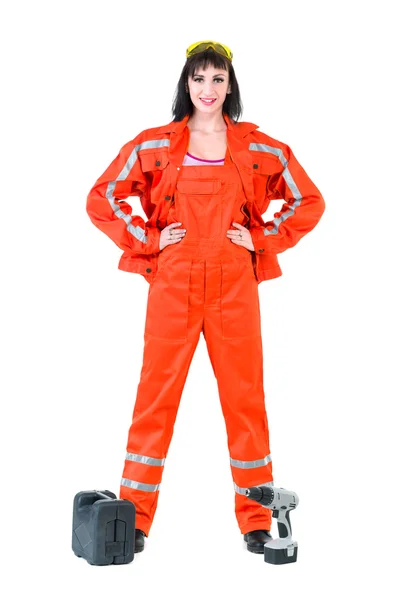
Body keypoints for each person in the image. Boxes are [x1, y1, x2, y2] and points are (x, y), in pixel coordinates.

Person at [86, 40, 325, 555]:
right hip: (173, 281)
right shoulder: (154, 144)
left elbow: (309, 200)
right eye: (200, 78)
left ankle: (257, 520)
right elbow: (102, 196)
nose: (208, 89)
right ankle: (134, 519)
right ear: (185, 84)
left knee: (245, 401)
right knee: (155, 400)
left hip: (234, 282)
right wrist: (149, 240)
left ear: (231, 85)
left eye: (219, 79)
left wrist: (260, 239)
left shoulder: (261, 148)